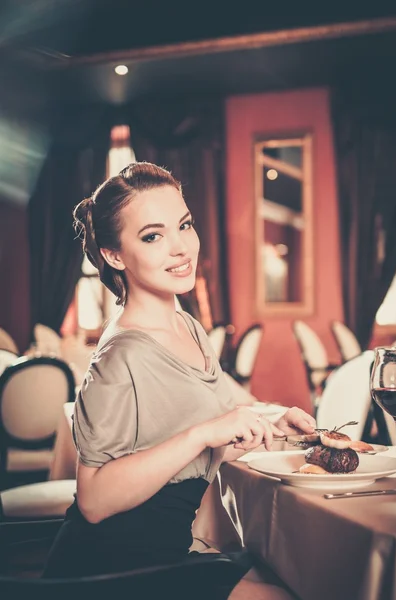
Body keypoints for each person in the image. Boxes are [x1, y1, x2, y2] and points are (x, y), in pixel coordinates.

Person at [43, 162, 316, 598]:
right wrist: (202, 435)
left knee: (304, 577)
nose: (181, 248)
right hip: (112, 571)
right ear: (115, 255)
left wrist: (273, 417)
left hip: (163, 555)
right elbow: (92, 501)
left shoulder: (185, 325)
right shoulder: (120, 356)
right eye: (153, 236)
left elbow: (219, 411)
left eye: (184, 226)